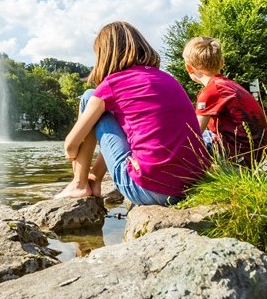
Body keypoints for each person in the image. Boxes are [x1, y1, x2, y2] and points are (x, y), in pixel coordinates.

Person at [55, 21, 210, 206]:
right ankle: (94, 181)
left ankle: (79, 184)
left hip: (149, 190)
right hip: (191, 185)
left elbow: (70, 145)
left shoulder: (112, 84)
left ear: (105, 55)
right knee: (115, 118)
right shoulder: (167, 78)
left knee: (89, 96)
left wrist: (74, 156)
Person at [182, 36, 267, 166]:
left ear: (189, 68)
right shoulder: (230, 85)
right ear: (222, 62)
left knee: (185, 139)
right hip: (256, 152)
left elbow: (196, 131)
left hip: (239, 155)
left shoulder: (211, 90)